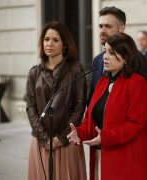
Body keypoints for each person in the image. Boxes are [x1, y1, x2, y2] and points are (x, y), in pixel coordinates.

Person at [67, 32, 147, 180]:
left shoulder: (138, 83)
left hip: (127, 160)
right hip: (101, 156)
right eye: (105, 51)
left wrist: (105, 137)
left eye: (112, 53)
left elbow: (135, 125)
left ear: (126, 57)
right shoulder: (102, 82)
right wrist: (79, 132)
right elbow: (91, 119)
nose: (105, 57)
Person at [26, 21, 87, 180]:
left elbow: (79, 107)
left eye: (55, 40)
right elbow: (31, 107)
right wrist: (44, 138)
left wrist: (61, 138)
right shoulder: (34, 72)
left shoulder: (76, 69)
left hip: (66, 141)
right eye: (46, 39)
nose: (49, 44)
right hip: (41, 142)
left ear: (64, 44)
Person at [88, 6, 147, 104]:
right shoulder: (98, 60)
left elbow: (142, 100)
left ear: (121, 28)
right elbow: (93, 97)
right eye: (100, 26)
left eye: (107, 26)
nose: (102, 31)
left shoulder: (137, 59)